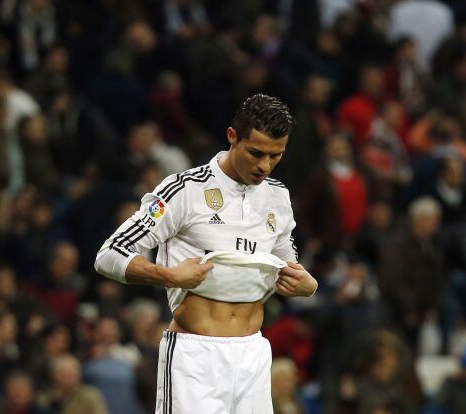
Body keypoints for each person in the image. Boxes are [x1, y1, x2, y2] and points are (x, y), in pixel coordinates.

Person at [95, 94, 318, 413]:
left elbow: (288, 264)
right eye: (255, 153)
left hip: (252, 354)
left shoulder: (278, 197)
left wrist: (308, 286)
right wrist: (168, 276)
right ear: (232, 137)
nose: (264, 166)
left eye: (275, 156)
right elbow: (109, 254)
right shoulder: (182, 190)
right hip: (194, 359)